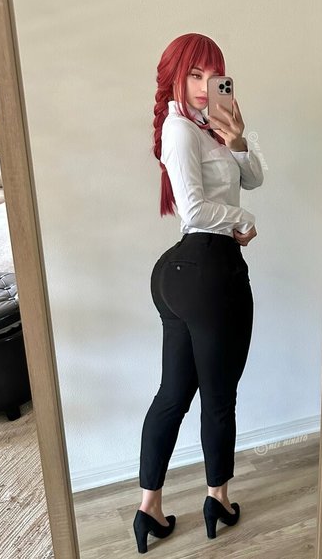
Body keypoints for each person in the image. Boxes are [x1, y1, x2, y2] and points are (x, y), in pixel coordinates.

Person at [133, 32, 264, 554]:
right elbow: (194, 210)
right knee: (218, 397)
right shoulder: (179, 128)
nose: (205, 84)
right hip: (209, 271)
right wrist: (242, 220)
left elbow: (254, 178)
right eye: (194, 73)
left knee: (174, 394)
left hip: (184, 274)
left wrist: (239, 138)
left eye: (213, 74)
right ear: (175, 77)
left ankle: (149, 509)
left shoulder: (211, 129)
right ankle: (218, 501)